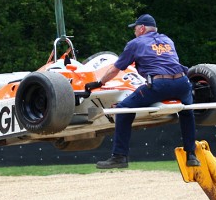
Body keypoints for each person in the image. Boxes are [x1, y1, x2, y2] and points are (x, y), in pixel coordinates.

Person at [85, 13, 200, 169]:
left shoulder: (135, 43)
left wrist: (98, 83)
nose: (134, 32)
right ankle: (191, 155)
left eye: (135, 29)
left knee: (123, 109)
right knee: (186, 111)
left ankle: (119, 156)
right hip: (183, 83)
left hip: (160, 85)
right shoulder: (167, 40)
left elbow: (115, 70)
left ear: (142, 28)